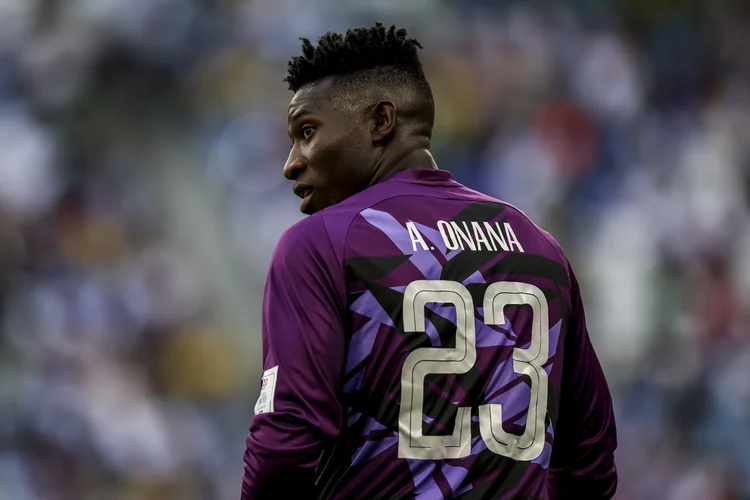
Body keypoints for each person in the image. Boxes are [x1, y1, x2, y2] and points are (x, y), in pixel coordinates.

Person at [241, 22, 617, 500]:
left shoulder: (320, 245)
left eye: (308, 131)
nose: (292, 162)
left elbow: (285, 445)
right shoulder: (538, 246)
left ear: (380, 122)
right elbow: (589, 456)